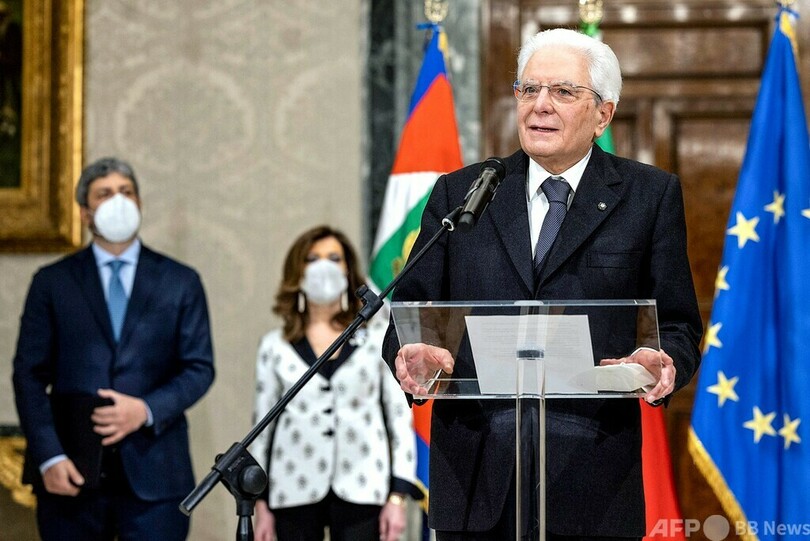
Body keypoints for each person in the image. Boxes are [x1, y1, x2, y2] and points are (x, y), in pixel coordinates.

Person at [382, 28, 703, 541]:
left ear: (603, 114)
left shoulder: (649, 196)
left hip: (592, 479)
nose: (540, 105)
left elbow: (679, 326)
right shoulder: (462, 193)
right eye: (528, 89)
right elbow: (409, 313)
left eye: (563, 91)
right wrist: (412, 353)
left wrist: (662, 363)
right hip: (476, 479)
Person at [12, 157, 215, 540]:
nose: (118, 201)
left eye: (126, 192)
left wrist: (146, 410)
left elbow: (199, 368)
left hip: (156, 477)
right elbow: (28, 375)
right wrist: (49, 455)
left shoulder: (180, 281)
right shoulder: (52, 282)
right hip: (71, 472)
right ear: (85, 212)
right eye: (104, 194)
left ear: (139, 203)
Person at [249, 225, 421, 541]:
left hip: (364, 485)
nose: (323, 267)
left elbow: (399, 418)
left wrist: (397, 495)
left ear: (348, 269)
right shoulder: (275, 346)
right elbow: (262, 426)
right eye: (312, 259)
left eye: (334, 258)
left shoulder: (377, 337)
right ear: (297, 271)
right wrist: (258, 502)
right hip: (292, 487)